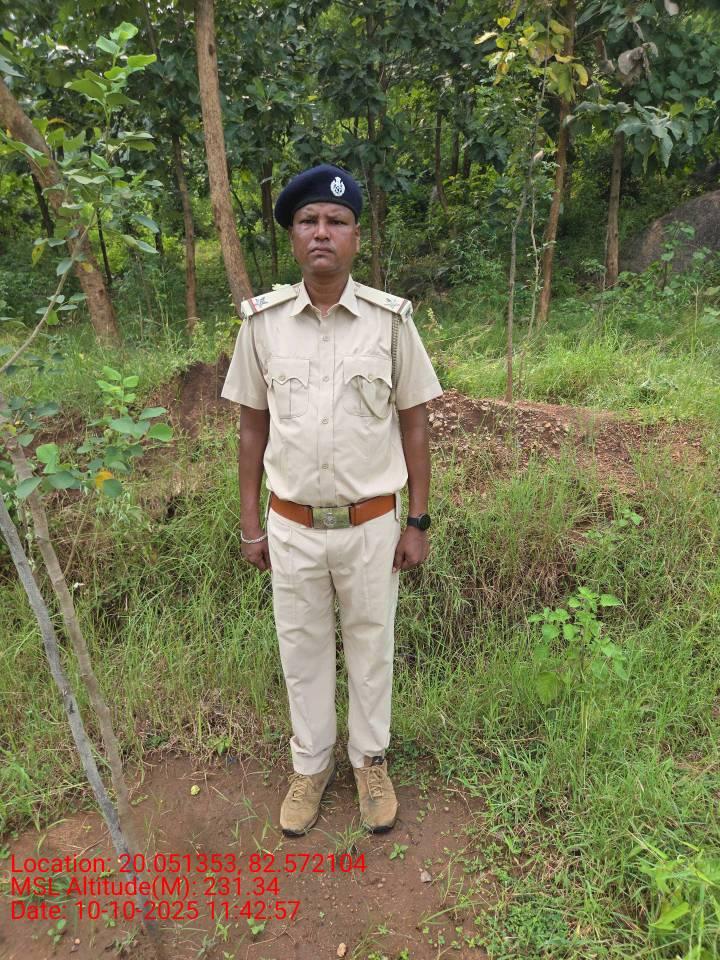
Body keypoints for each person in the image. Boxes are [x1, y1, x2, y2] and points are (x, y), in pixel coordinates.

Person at [220, 163, 443, 836]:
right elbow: (252, 428)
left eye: (337, 221)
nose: (322, 232)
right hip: (291, 527)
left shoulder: (391, 322)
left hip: (372, 525)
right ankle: (311, 767)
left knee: (372, 647)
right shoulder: (263, 325)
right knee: (302, 648)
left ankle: (370, 763)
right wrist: (250, 524)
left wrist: (418, 520)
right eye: (309, 221)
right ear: (293, 236)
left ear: (355, 237)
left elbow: (414, 424)